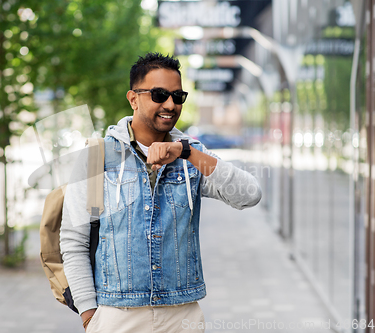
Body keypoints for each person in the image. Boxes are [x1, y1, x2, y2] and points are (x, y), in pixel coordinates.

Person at [60, 52, 262, 333]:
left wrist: (187, 152)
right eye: (159, 94)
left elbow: (250, 194)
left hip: (182, 315)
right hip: (118, 315)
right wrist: (89, 313)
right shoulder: (99, 158)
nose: (170, 104)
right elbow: (74, 240)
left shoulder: (191, 156)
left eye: (178, 96)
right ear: (133, 98)